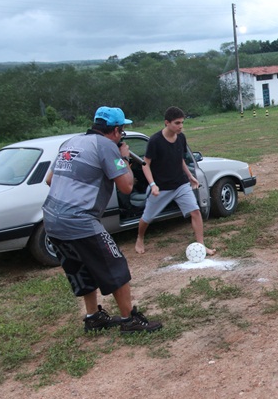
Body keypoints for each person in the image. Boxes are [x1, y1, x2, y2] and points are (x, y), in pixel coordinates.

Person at [43, 107, 163, 333]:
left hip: (51, 219)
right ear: (116, 130)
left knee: (80, 268)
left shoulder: (70, 142)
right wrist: (124, 158)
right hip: (80, 220)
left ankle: (93, 317)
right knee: (115, 265)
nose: (123, 135)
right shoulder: (107, 146)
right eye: (123, 130)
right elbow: (127, 187)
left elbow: (50, 180)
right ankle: (130, 320)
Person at [135, 106, 216, 256]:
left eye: (182, 123)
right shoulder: (155, 140)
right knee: (147, 218)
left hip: (180, 184)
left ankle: (201, 245)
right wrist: (152, 185)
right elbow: (145, 165)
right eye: (177, 123)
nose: (181, 126)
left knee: (196, 211)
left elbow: (180, 159)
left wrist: (190, 176)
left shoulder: (181, 138)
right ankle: (140, 238)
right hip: (161, 187)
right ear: (167, 122)